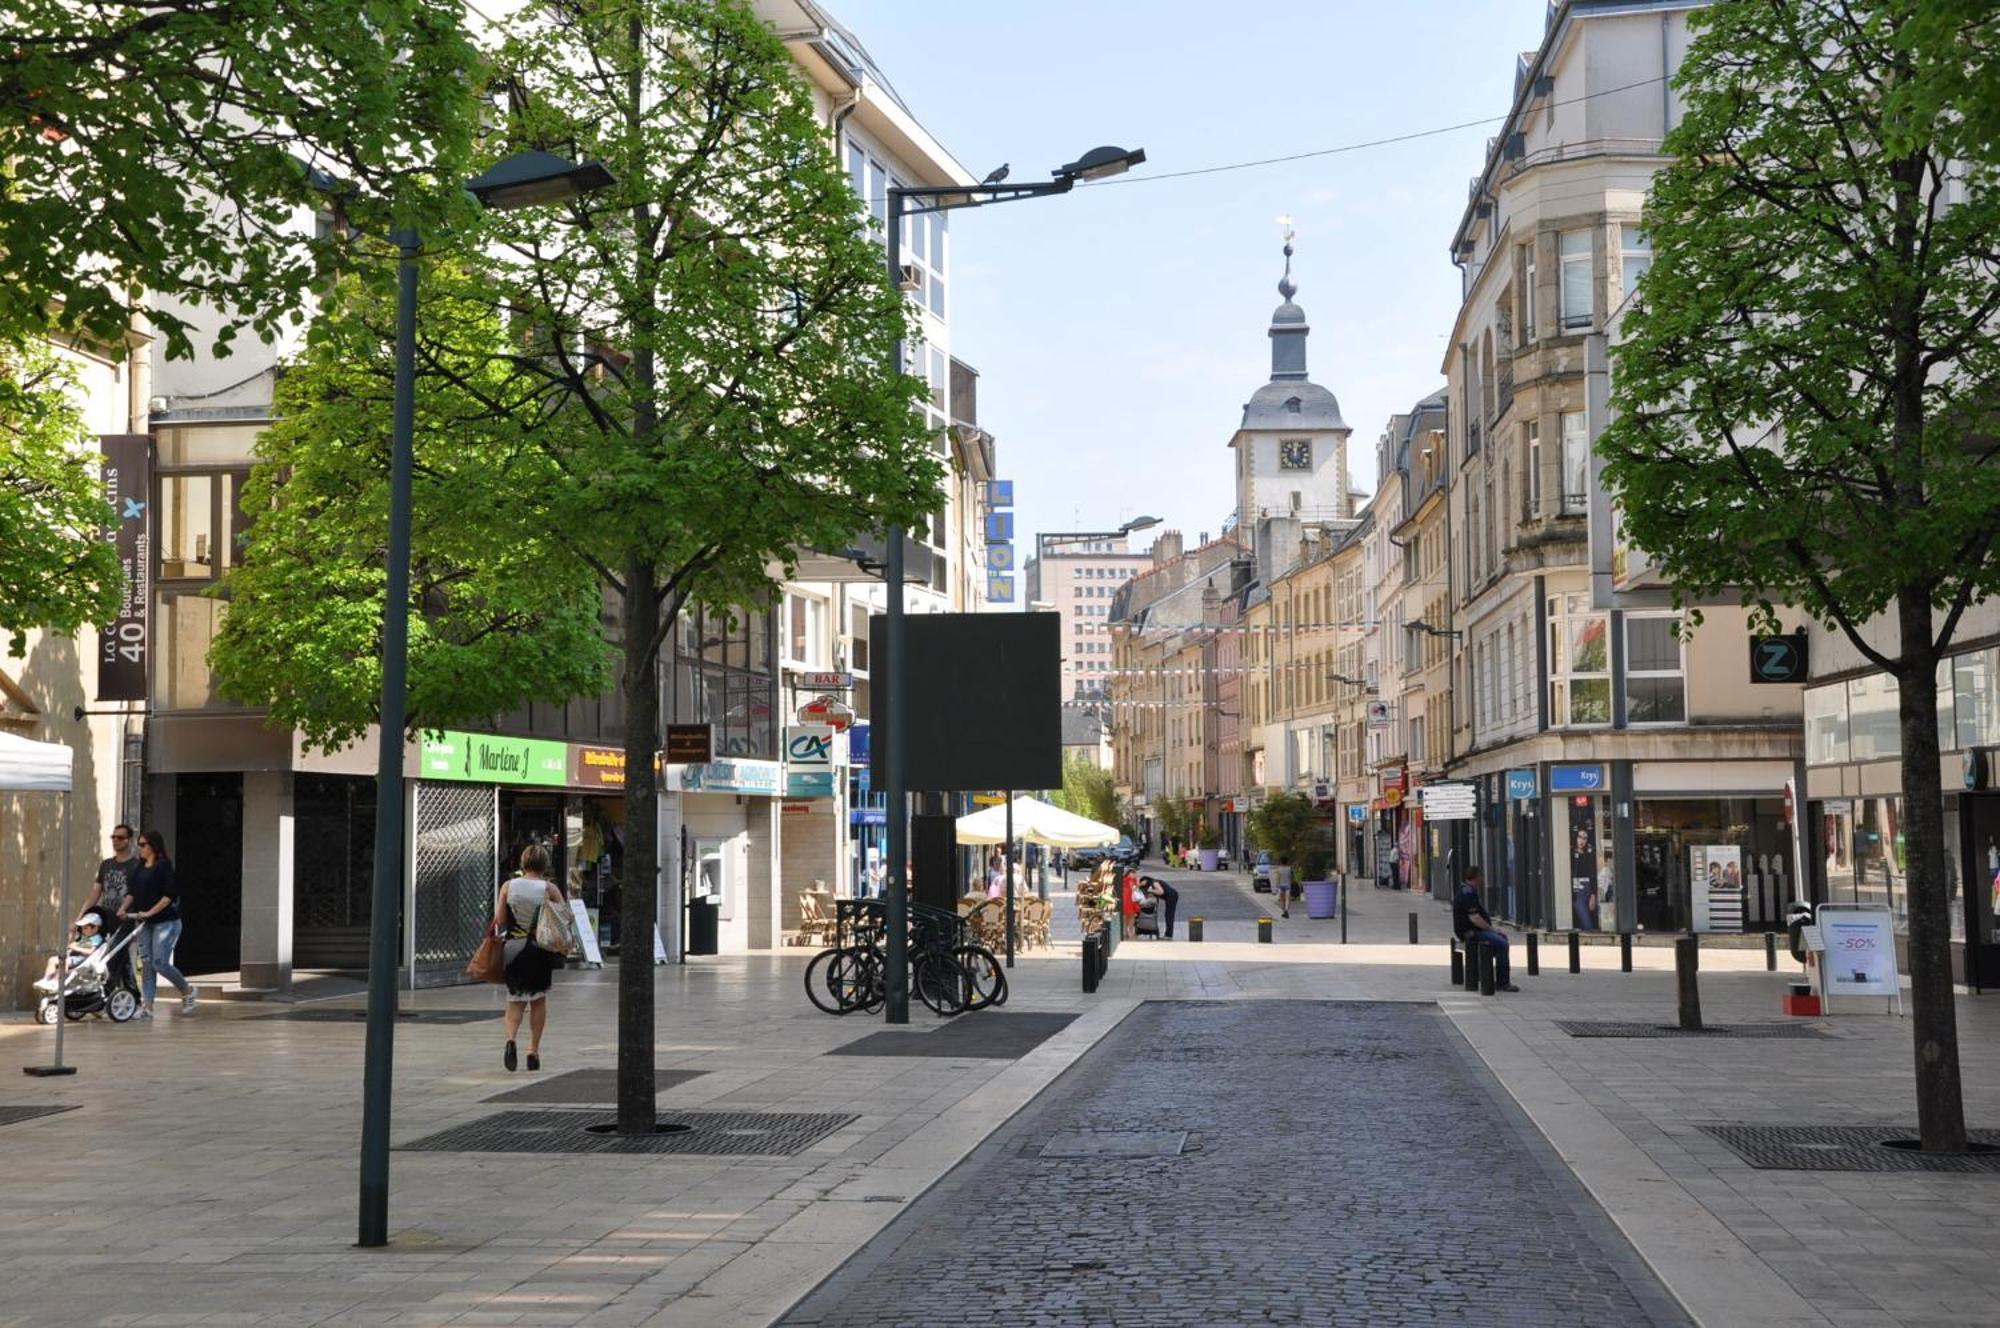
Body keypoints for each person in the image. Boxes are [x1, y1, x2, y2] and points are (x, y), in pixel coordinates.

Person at [492, 843, 567, 1072]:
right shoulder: (549, 888)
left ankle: (511, 1039)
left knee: (515, 999)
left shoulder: (508, 886)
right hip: (539, 948)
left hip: (514, 947)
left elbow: (500, 920)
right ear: (545, 865)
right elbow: (564, 918)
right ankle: (533, 1050)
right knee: (538, 1000)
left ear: (523, 863)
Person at [118, 829, 197, 1017]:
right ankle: (148, 1006)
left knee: (159, 963)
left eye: (143, 845)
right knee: (146, 963)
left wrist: (150, 912)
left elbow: (168, 896)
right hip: (145, 923)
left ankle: (187, 991)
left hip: (165, 922)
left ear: (153, 846)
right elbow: (132, 892)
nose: (140, 849)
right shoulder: (140, 867)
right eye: (139, 845)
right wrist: (123, 908)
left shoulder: (164, 867)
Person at [1451, 866, 1519, 992]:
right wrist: (1492, 930)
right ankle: (1503, 982)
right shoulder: (1469, 893)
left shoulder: (1467, 890)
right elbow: (1475, 918)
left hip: (1472, 931)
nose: (1482, 879)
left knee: (1501, 939)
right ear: (1476, 877)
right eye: (1481, 876)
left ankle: (1483, 973)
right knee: (1502, 944)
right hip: (1471, 932)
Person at [35, 911, 105, 993]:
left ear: (95, 928)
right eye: (82, 928)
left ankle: (56, 981)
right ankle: (47, 979)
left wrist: (75, 947)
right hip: (75, 957)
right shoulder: (85, 938)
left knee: (65, 962)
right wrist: (71, 943)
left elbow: (89, 952)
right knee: (52, 960)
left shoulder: (96, 938)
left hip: (83, 959)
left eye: (85, 928)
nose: (83, 930)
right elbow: (73, 945)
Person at [82, 824, 139, 918]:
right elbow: (95, 893)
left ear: (129, 840)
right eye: (113, 837)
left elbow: (135, 894)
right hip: (106, 920)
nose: (115, 840)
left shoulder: (136, 866)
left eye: (120, 837)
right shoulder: (106, 864)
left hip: (126, 921)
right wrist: (81, 917)